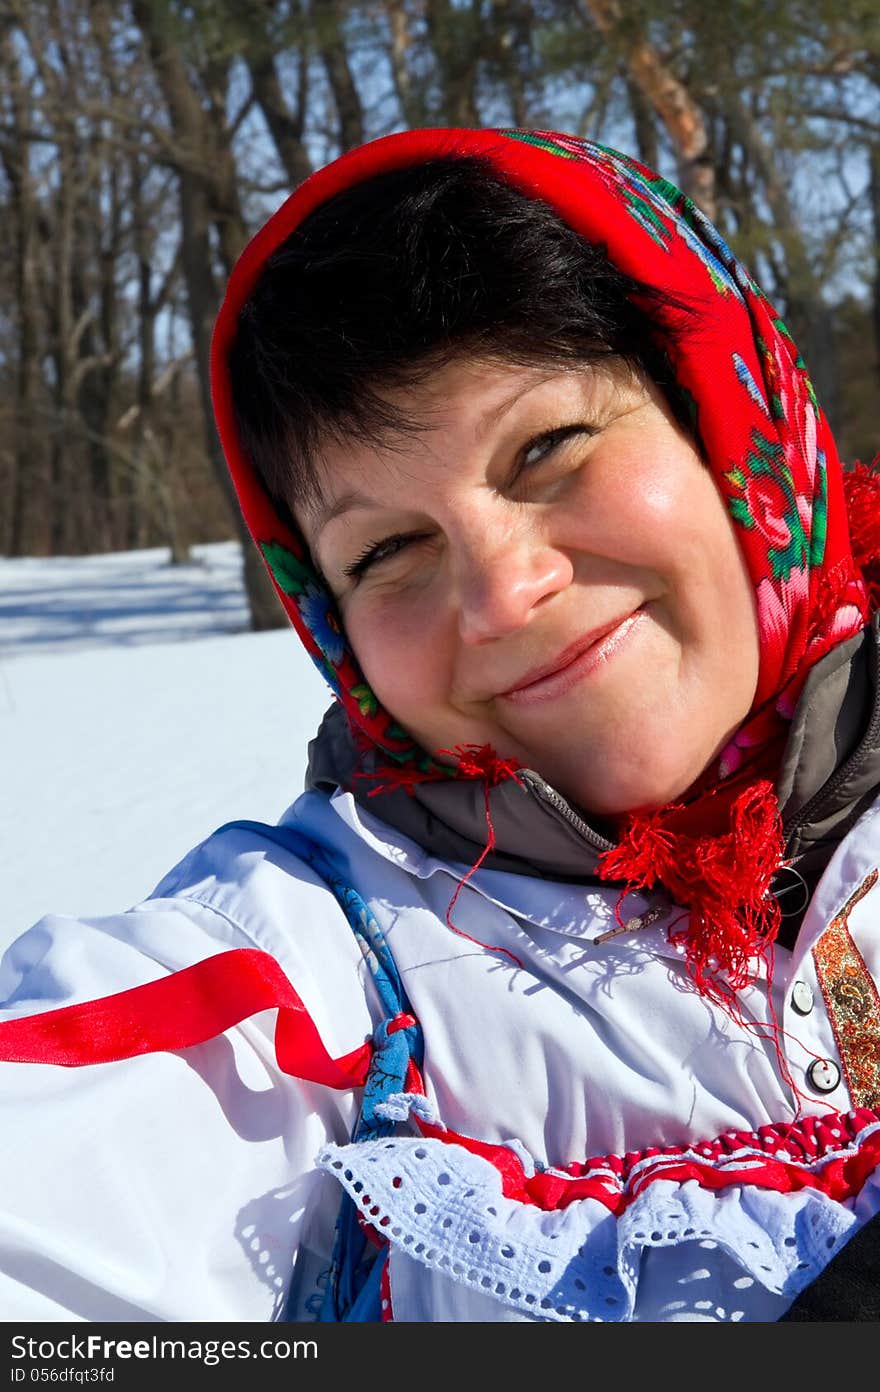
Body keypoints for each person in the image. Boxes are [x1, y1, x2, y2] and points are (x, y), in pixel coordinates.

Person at [1, 125, 880, 1324]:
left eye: (548, 448)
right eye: (388, 549)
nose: (499, 591)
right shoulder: (327, 971)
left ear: (728, 418)